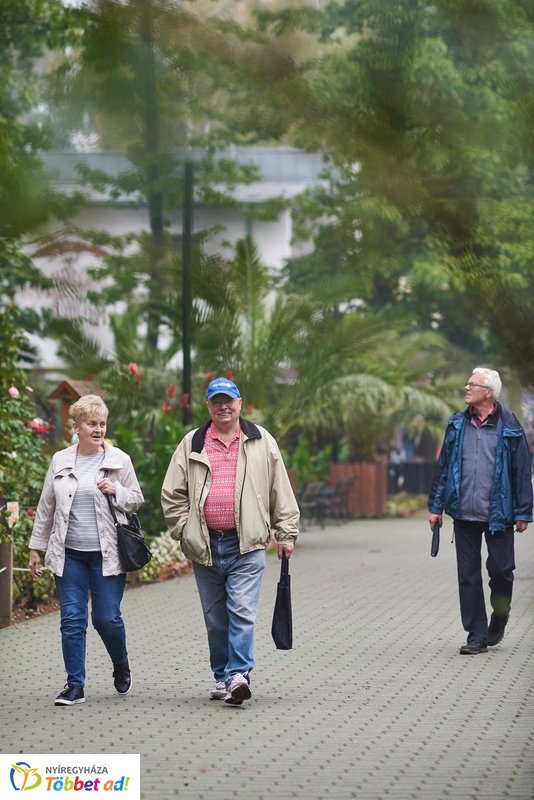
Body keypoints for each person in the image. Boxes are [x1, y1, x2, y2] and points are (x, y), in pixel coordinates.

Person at [161, 376, 299, 704]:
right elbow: (172, 493)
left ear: (240, 403)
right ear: (207, 406)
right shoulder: (192, 442)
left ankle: (239, 673)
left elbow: (280, 489)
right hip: (206, 545)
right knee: (215, 616)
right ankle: (223, 675)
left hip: (246, 543)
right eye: (216, 401)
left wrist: (286, 532)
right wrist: (185, 529)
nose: (223, 406)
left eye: (229, 400)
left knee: (241, 609)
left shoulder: (260, 440)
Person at [28, 394, 144, 705]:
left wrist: (116, 489)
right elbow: (46, 507)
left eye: (102, 423)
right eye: (91, 423)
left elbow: (135, 499)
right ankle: (74, 685)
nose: (98, 429)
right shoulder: (60, 460)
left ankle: (120, 662)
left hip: (107, 554)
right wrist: (36, 547)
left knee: (106, 618)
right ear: (76, 426)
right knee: (72, 620)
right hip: (70, 555)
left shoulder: (119, 460)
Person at [428, 367, 533, 655]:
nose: (466, 388)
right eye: (467, 383)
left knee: (502, 572)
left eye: (472, 384)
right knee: (468, 575)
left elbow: (522, 471)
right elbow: (444, 468)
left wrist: (523, 511)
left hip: (499, 514)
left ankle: (498, 618)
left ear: (489, 392)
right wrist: (436, 507)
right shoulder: (457, 424)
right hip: (463, 513)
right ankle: (476, 634)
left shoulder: (510, 426)